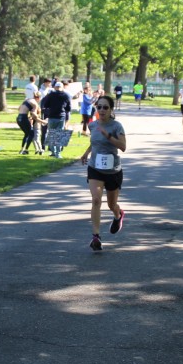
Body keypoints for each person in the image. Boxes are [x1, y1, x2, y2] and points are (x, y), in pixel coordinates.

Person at [79, 95, 125, 252]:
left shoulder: (117, 126)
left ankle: (118, 215)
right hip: (95, 168)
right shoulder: (92, 125)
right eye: (99, 107)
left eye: (105, 107)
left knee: (111, 205)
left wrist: (108, 136)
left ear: (111, 109)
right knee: (96, 200)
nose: (102, 110)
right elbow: (94, 143)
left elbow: (123, 146)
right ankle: (96, 237)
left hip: (113, 170)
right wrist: (86, 153)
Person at [40, 81, 72, 157]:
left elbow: (46, 104)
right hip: (61, 117)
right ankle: (58, 153)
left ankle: (53, 152)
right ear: (62, 87)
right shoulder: (66, 95)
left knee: (52, 134)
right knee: (59, 134)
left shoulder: (51, 95)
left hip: (52, 116)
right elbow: (68, 108)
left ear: (55, 87)